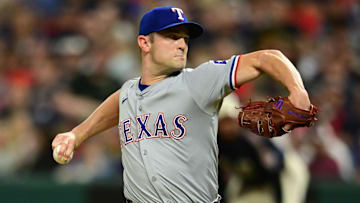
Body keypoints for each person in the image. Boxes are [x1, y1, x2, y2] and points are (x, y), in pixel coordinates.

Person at [52, 6, 312, 203]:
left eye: (185, 38)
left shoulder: (200, 80)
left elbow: (266, 58)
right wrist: (76, 134)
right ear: (145, 42)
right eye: (172, 36)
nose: (181, 44)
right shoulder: (129, 91)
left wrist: (297, 89)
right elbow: (119, 102)